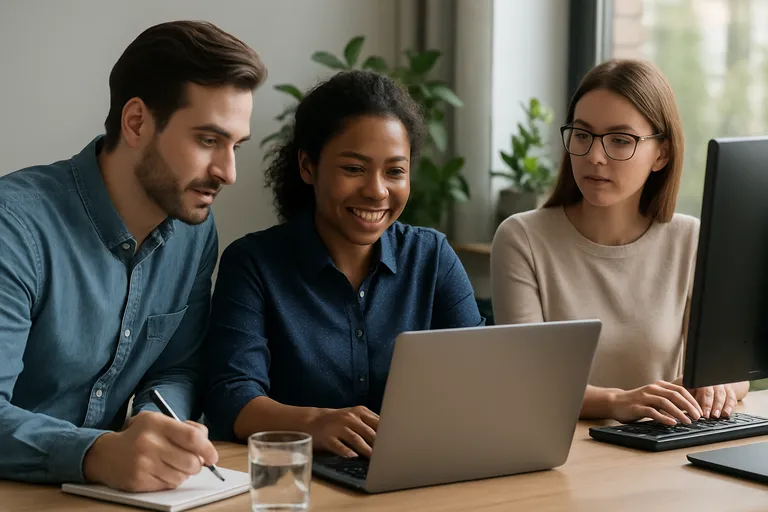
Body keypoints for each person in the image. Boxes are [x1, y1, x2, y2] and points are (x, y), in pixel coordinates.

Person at [0, 21, 266, 491]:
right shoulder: (14, 226)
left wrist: (153, 426)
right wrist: (96, 453)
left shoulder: (193, 232)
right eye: (208, 140)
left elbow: (177, 367)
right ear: (137, 122)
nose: (228, 172)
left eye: (235, 146)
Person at [203, 70, 484, 458]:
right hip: (297, 476)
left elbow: (480, 375)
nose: (377, 190)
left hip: (418, 472)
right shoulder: (253, 264)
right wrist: (313, 424)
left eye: (395, 171)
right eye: (354, 168)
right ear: (308, 166)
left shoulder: (432, 257)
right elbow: (230, 397)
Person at [490, 59, 748, 427]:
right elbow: (530, 381)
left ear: (662, 153)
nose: (595, 156)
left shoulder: (690, 239)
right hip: (564, 457)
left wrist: (717, 385)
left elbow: (729, 372)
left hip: (665, 452)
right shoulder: (522, 240)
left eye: (620, 140)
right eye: (582, 135)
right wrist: (618, 402)